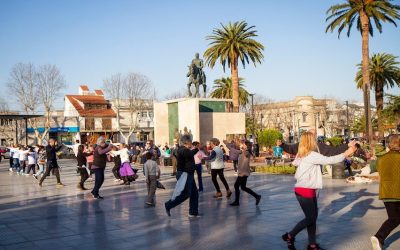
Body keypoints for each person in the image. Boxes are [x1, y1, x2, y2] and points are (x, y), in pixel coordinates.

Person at [282, 132, 356, 250]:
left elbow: (331, 152)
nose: (315, 141)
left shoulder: (303, 154)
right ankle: (290, 235)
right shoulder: (311, 155)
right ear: (310, 141)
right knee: (310, 218)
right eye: (313, 139)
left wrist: (347, 146)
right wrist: (346, 153)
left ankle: (312, 244)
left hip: (308, 189)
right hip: (304, 190)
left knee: (312, 218)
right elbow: (329, 160)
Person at [371, 135, 400, 250]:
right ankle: (379, 237)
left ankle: (379, 238)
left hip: (386, 193)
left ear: (389, 144)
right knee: (395, 219)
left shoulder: (381, 158)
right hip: (398, 192)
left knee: (393, 218)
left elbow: (374, 168)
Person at [164, 134, 200, 218]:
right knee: (186, 193)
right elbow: (190, 154)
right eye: (191, 141)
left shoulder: (183, 149)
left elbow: (190, 154)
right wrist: (196, 149)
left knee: (194, 193)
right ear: (187, 142)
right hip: (185, 174)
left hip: (188, 173)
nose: (191, 143)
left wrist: (195, 149)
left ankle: (193, 212)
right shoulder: (183, 149)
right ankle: (169, 205)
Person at [230, 142, 261, 206]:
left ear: (246, 146)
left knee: (236, 185)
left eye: (243, 144)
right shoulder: (243, 151)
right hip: (243, 172)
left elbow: (243, 153)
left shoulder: (247, 152)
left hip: (243, 173)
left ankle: (237, 201)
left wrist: (242, 149)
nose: (241, 145)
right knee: (243, 187)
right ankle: (257, 196)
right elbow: (234, 151)